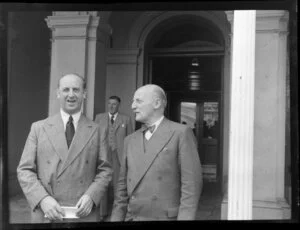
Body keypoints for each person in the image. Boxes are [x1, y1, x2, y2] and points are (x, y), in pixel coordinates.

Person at [17, 73, 112, 223]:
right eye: (66, 90)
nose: (71, 95)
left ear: (84, 94)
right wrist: (43, 199)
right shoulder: (38, 128)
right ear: (58, 93)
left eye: (76, 90)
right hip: (47, 213)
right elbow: (24, 170)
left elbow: (105, 170)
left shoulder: (97, 130)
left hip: (83, 213)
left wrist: (91, 196)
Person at [111, 84, 202, 221]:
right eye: (133, 101)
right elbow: (121, 192)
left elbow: (191, 188)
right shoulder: (130, 140)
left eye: (138, 101)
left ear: (157, 103)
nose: (132, 106)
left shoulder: (180, 133)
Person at [94, 96, 133, 220]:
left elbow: (130, 140)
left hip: (118, 156)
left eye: (114, 104)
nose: (111, 106)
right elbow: (94, 138)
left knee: (118, 185)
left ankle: (118, 214)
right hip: (103, 155)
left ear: (119, 105)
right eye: (109, 103)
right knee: (102, 183)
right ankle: (102, 213)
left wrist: (128, 158)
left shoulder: (126, 119)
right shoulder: (99, 118)